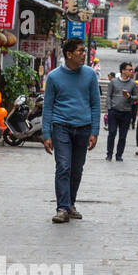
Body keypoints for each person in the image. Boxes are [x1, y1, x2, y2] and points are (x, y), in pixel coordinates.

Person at [42, 36, 100, 223]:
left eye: (84, 51)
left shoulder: (90, 75)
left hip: (83, 128)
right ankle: (62, 208)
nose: (84, 54)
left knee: (76, 169)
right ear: (69, 54)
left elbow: (95, 105)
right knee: (63, 167)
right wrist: (46, 134)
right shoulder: (53, 77)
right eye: (80, 51)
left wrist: (95, 131)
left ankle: (70, 204)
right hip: (61, 127)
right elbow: (48, 107)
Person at [106, 60, 138, 162]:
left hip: (126, 112)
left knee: (123, 136)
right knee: (112, 133)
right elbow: (108, 96)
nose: (131, 71)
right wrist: (109, 108)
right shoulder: (113, 82)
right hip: (114, 112)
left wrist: (129, 97)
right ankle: (109, 154)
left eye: (131, 70)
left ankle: (119, 155)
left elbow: (137, 97)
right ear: (123, 71)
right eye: (129, 70)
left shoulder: (133, 84)